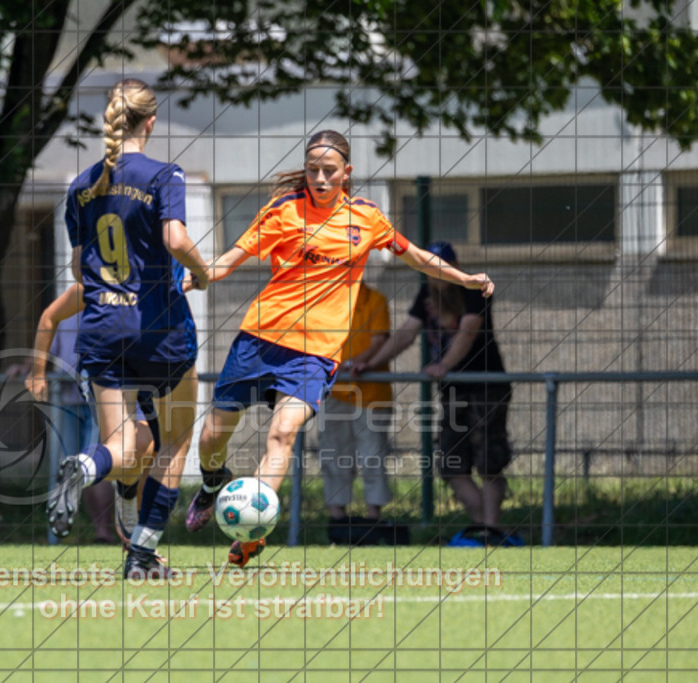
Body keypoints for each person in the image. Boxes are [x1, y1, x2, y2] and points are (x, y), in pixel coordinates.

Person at [184, 130, 494, 566]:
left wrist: (464, 279)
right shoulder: (283, 211)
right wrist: (201, 273)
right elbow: (233, 256)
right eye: (313, 170)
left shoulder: (366, 218)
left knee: (283, 433)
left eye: (329, 171)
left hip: (314, 355)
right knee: (212, 437)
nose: (320, 178)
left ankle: (252, 532)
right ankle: (214, 480)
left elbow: (417, 256)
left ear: (346, 173)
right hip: (259, 339)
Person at [45, 78, 211, 579]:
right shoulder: (165, 175)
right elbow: (174, 237)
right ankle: (142, 555)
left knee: (121, 448)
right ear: (151, 122)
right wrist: (201, 272)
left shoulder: (81, 185)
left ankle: (88, 466)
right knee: (176, 441)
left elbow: (79, 268)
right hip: (158, 332)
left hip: (100, 331)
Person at [354, 241, 519, 547]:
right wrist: (369, 363)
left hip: (487, 388)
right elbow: (405, 333)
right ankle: (485, 528)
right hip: (453, 392)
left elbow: (468, 331)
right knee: (451, 465)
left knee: (488, 464)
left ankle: (491, 530)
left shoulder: (474, 291)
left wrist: (444, 364)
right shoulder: (425, 297)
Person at [20, 283, 157, 545]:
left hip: (95, 378)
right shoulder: (142, 279)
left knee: (134, 451)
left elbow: (49, 316)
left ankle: (127, 531)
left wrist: (37, 371)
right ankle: (126, 534)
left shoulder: (90, 284)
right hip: (111, 379)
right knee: (129, 450)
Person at [318, 282, 396, 545]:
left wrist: (353, 364)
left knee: (372, 454)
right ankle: (337, 517)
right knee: (334, 452)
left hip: (371, 393)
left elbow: (379, 341)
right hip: (335, 392)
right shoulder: (326, 301)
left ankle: (374, 516)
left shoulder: (375, 300)